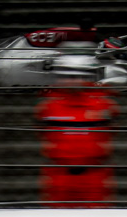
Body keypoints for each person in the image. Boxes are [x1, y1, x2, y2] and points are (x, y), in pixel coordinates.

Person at [35, 47, 116, 208]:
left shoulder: (102, 105)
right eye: (66, 76)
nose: (70, 81)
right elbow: (43, 135)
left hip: (93, 176)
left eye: (74, 76)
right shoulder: (49, 106)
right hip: (60, 176)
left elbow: (110, 133)